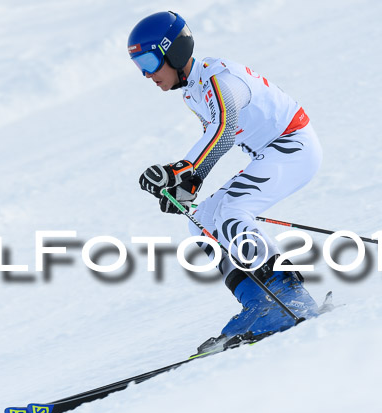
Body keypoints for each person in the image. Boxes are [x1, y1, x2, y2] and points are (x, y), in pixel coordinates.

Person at [128, 11, 323, 353]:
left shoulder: (220, 79)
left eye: (148, 60)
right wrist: (187, 184)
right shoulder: (194, 91)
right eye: (138, 65)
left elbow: (225, 128)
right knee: (202, 222)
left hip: (294, 146)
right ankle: (258, 303)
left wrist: (180, 170)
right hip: (270, 153)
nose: (146, 74)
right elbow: (215, 136)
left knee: (233, 213)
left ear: (172, 51)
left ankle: (291, 297)